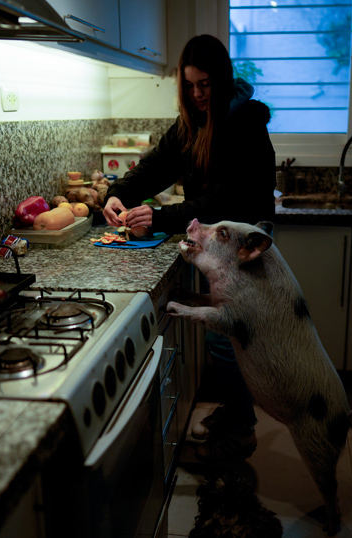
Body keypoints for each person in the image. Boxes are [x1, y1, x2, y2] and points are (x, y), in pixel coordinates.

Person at [102, 34, 275, 462]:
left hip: (243, 246)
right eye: (190, 85)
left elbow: (222, 199)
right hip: (216, 244)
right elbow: (154, 167)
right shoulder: (190, 124)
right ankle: (235, 412)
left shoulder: (243, 123)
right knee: (223, 336)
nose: (197, 94)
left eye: (206, 85)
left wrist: (159, 217)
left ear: (221, 79)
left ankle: (244, 430)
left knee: (227, 340)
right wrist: (117, 192)